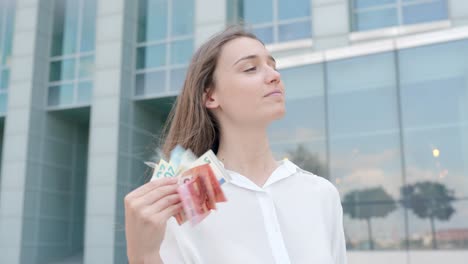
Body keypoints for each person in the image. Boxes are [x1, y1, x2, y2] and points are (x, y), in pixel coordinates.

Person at [124, 26, 347, 264]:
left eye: (273, 65)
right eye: (251, 68)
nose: (274, 75)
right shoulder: (180, 200)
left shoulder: (321, 194)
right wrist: (143, 256)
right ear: (210, 96)